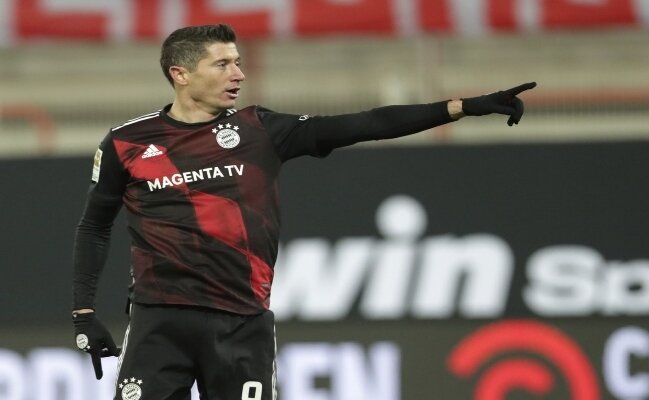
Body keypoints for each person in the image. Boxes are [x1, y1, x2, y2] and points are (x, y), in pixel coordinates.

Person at [72, 23, 536, 400]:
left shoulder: (260, 130)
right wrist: (84, 313)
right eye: (223, 64)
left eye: (239, 62)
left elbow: (366, 124)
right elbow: (94, 226)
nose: (238, 74)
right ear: (181, 74)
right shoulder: (127, 142)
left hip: (242, 321)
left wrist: (461, 107)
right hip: (159, 319)